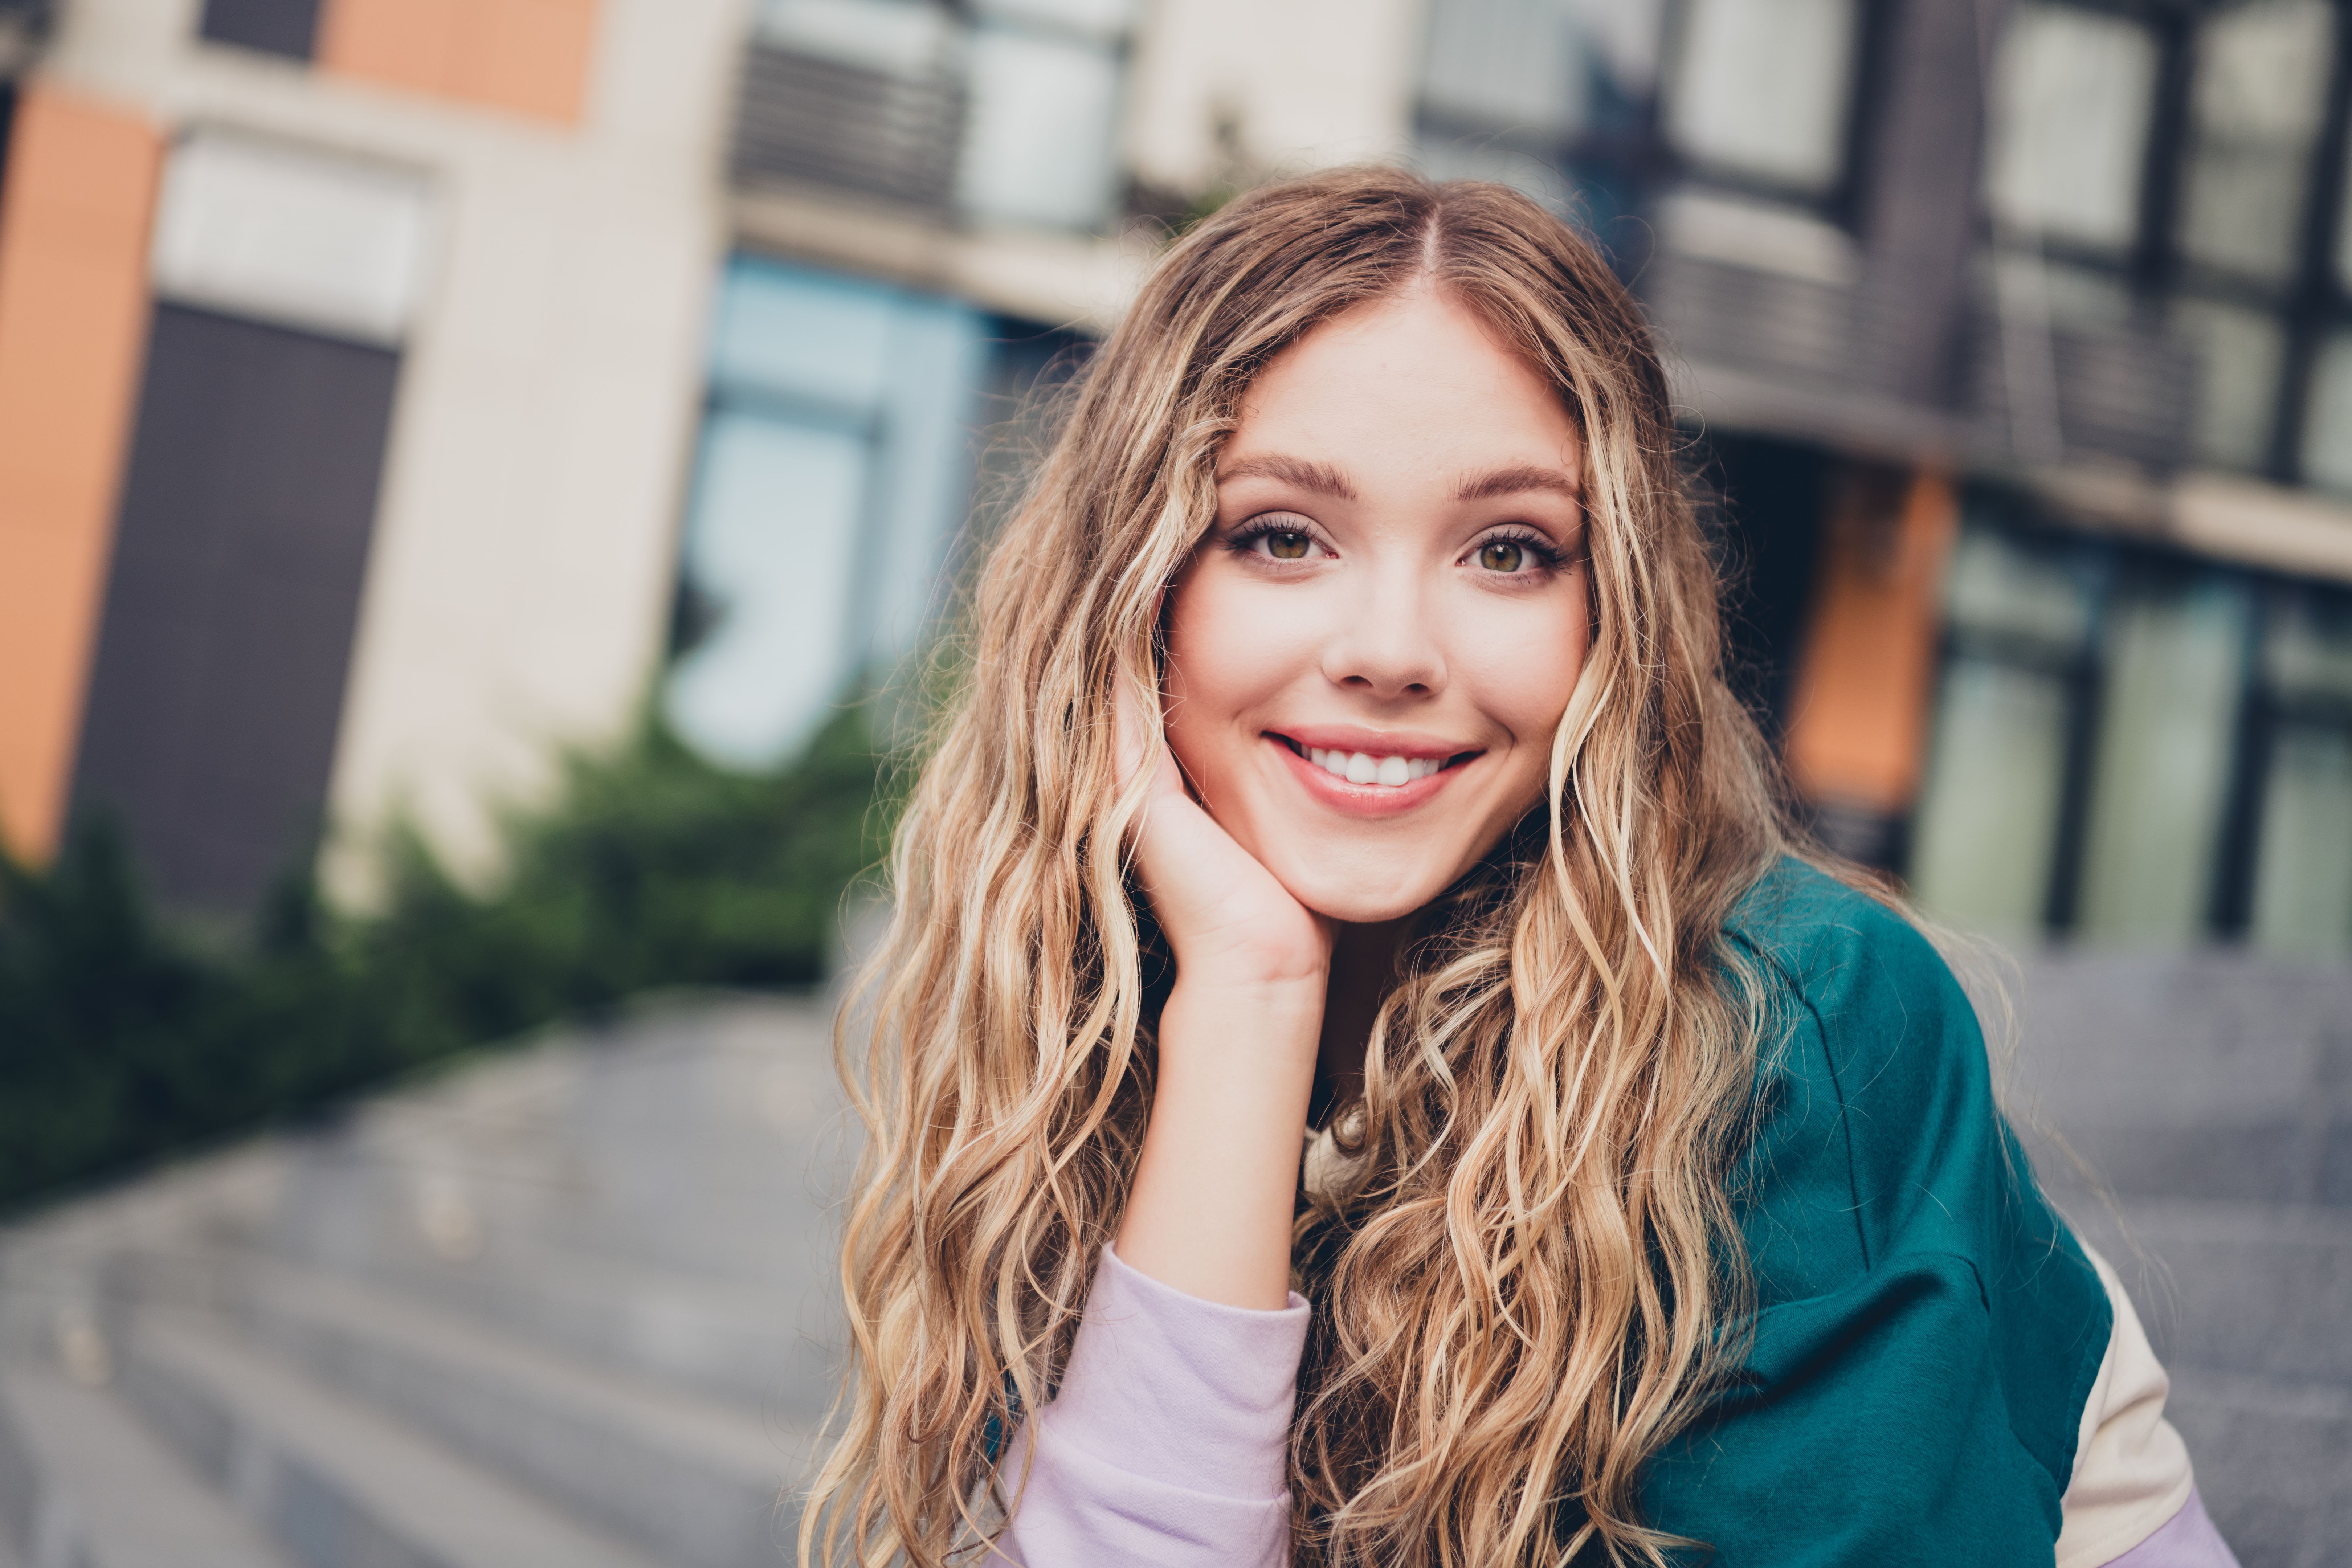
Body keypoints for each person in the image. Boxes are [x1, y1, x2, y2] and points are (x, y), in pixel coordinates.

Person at [801, 168, 2235, 1568]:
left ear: (1614, 620)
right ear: (1133, 603)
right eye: (1282, 537)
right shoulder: (1127, 1002)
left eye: (1508, 551)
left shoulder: (1809, 1031)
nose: (1390, 651)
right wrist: (1247, 996)